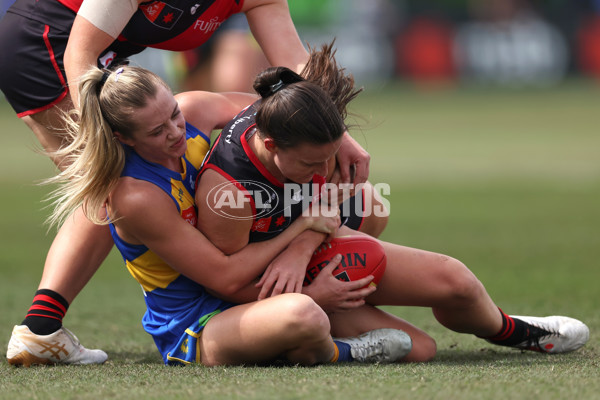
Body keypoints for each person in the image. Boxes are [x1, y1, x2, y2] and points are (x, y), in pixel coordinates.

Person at [0, 0, 370, 365]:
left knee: (125, 188)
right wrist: (105, 144)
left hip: (95, 58)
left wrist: (332, 134)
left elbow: (292, 62)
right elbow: (79, 55)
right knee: (114, 186)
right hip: (49, 45)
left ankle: (43, 327)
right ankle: (43, 327)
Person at [195, 47, 590, 360]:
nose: (321, 172)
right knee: (420, 349)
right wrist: (313, 293)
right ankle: (313, 327)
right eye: (310, 164)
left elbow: (335, 198)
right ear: (270, 146)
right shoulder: (227, 193)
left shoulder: (309, 130)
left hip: (308, 248)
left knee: (456, 281)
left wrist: (302, 248)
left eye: (328, 158)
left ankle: (511, 331)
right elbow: (226, 284)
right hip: (259, 291)